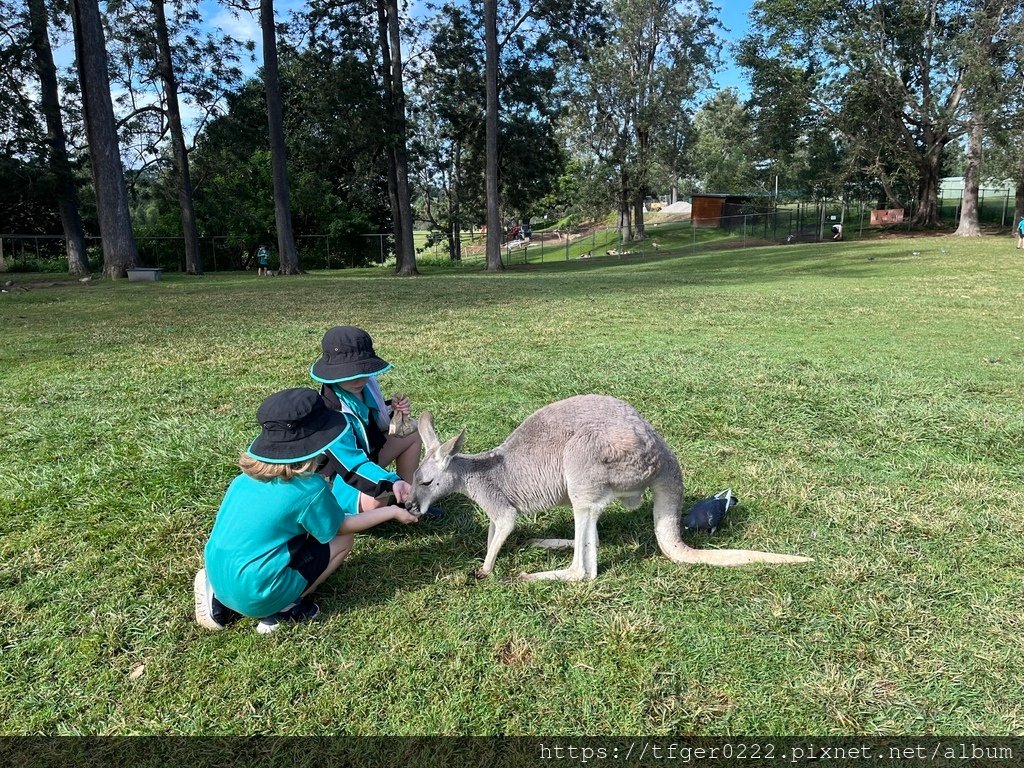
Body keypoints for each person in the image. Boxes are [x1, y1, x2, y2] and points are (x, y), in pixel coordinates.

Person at [194, 388, 418, 634]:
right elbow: (342, 527)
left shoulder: (244, 480)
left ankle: (222, 596)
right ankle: (283, 608)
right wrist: (392, 513)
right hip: (260, 592)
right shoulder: (310, 489)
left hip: (218, 571)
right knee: (342, 539)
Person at [310, 326, 438, 516]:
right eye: (350, 374)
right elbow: (351, 466)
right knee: (379, 497)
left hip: (367, 455)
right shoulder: (330, 415)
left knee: (412, 433)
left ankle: (409, 501)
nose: (359, 380)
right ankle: (379, 502)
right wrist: (389, 482)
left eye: (364, 371)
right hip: (339, 478)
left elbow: (367, 420)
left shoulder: (365, 385)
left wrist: (391, 409)